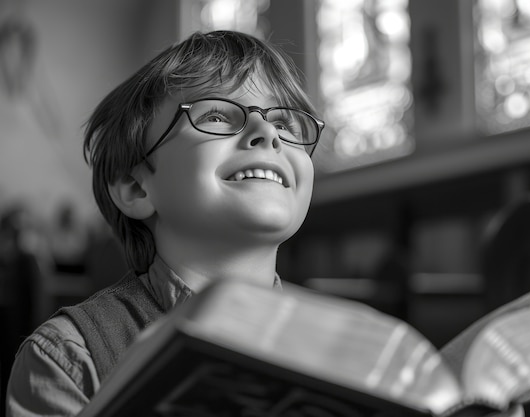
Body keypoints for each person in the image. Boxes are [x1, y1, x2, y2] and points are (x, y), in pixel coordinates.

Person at [5, 30, 324, 416]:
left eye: (286, 123)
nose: (268, 133)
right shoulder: (70, 358)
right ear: (136, 187)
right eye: (217, 115)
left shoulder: (340, 346)